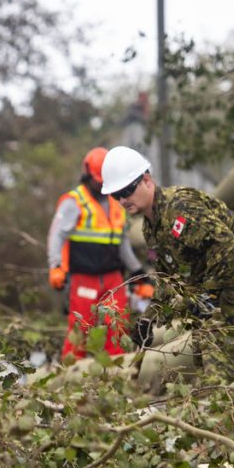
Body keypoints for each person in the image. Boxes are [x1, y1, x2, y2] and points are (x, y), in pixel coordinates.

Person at [99, 146, 234, 373]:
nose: (123, 200)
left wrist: (208, 294)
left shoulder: (180, 207)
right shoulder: (151, 228)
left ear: (146, 180)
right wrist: (149, 318)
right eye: (116, 195)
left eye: (127, 190)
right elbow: (169, 279)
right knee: (202, 347)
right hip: (223, 279)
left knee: (223, 349)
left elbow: (226, 244)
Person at [47, 146, 146, 359]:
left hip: (113, 278)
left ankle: (119, 375)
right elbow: (56, 235)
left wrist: (139, 274)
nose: (101, 183)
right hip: (85, 279)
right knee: (80, 329)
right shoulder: (74, 202)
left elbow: (122, 243)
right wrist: (55, 266)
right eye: (97, 179)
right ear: (87, 175)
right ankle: (70, 377)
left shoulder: (117, 201)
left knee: (118, 327)